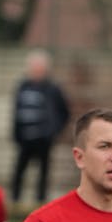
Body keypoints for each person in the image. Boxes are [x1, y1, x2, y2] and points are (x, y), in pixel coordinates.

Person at [11, 49, 71, 209]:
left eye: (39, 68)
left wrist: (54, 131)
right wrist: (15, 133)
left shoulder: (53, 89)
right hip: (25, 138)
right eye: (33, 68)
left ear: (45, 70)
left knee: (43, 173)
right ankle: (15, 201)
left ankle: (40, 202)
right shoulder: (22, 86)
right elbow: (16, 111)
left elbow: (65, 112)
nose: (36, 71)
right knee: (19, 170)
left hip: (44, 139)